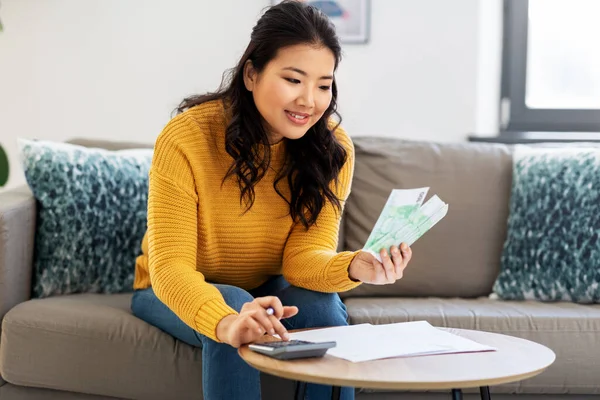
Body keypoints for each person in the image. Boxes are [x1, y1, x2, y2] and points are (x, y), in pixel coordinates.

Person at [130, 1, 412, 399]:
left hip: (273, 282)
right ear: (251, 73)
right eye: (294, 79)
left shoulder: (333, 149)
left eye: (323, 84)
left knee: (325, 310)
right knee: (239, 310)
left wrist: (355, 266)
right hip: (172, 286)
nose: (309, 101)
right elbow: (171, 267)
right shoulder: (186, 137)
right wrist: (227, 323)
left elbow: (302, 261)